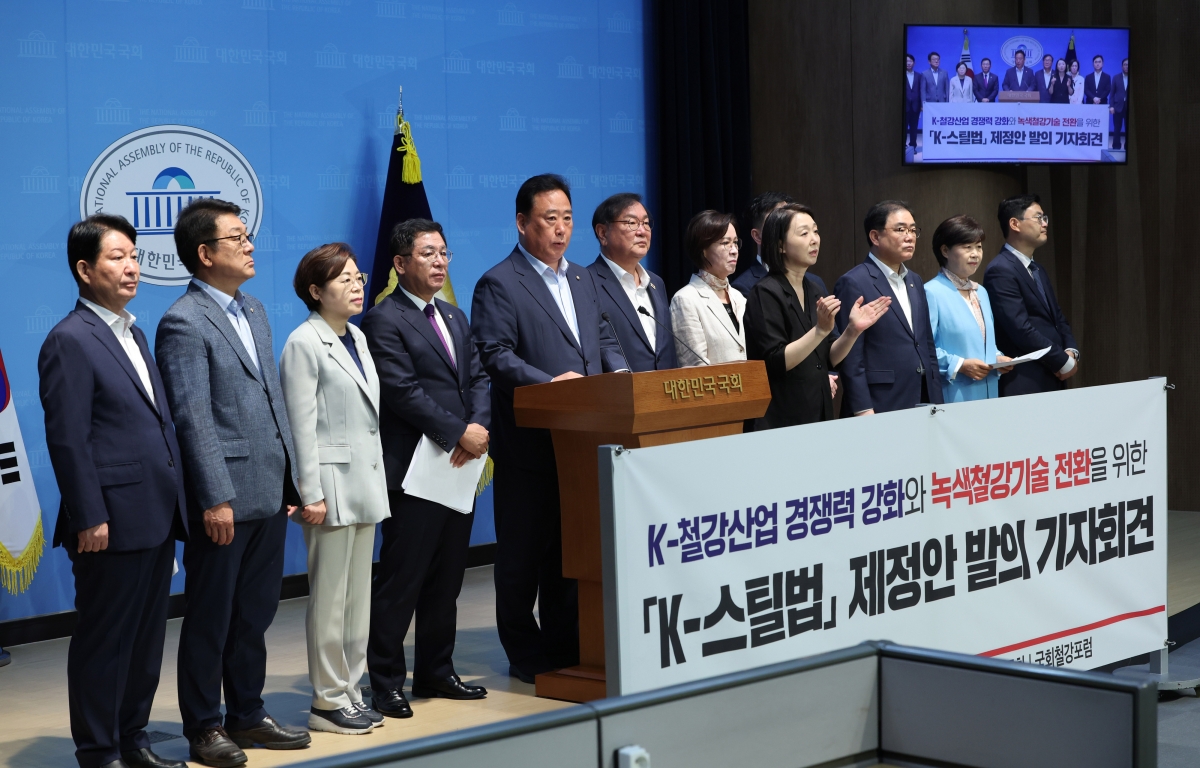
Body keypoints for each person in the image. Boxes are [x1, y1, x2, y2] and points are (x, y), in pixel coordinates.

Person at [157, 199, 310, 767]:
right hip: (224, 497)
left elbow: (272, 400)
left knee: (255, 614)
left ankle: (247, 712)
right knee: (211, 618)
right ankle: (203, 726)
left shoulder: (256, 309)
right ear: (205, 253)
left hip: (268, 489)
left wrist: (291, 481)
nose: (249, 246)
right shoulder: (183, 320)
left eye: (247, 236)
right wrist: (214, 496)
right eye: (237, 238)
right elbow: (192, 416)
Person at [40, 214, 189, 768]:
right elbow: (69, 438)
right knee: (106, 640)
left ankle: (134, 740)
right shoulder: (69, 339)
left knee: (146, 640)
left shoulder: (133, 332)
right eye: (117, 257)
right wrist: (89, 515)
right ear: (85, 269)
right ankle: (99, 752)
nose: (132, 267)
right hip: (109, 519)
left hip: (154, 511)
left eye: (135, 256)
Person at [470, 174, 626, 684]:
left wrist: (621, 374)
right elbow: (495, 355)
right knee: (523, 553)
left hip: (583, 438)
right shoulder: (499, 282)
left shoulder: (583, 278)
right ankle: (523, 651)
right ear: (522, 223)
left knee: (570, 547)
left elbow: (602, 336)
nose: (561, 230)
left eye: (567, 219)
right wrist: (550, 384)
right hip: (530, 442)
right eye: (549, 219)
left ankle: (566, 643)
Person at [364, 219, 492, 714]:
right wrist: (458, 432)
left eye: (444, 253)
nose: (440, 262)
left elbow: (478, 379)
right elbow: (402, 391)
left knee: (447, 578)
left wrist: (477, 428)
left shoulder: (455, 316)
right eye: (427, 254)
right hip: (415, 469)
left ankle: (437, 671)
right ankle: (386, 681)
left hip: (459, 465)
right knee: (402, 580)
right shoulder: (384, 319)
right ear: (400, 264)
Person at [279, 244, 389, 735]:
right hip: (329, 488)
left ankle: (351, 691)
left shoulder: (357, 337)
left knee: (357, 600)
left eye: (357, 277)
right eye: (343, 279)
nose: (356, 285)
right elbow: (300, 425)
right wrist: (310, 494)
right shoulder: (303, 342)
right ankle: (326, 700)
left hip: (365, 482)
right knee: (329, 600)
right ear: (315, 290)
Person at [744, 205, 890, 428]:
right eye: (804, 233)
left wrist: (852, 331)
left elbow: (830, 357)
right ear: (780, 245)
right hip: (781, 417)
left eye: (816, 231)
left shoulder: (814, 288)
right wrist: (820, 330)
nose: (814, 240)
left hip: (818, 411)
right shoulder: (765, 292)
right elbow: (776, 361)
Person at [833, 201, 943, 415]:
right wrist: (863, 409)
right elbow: (851, 357)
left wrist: (937, 401)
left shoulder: (915, 280)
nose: (909, 237)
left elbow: (927, 345)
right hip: (881, 401)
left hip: (924, 396)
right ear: (875, 237)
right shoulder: (854, 282)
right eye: (901, 229)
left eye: (913, 230)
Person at [983, 195, 1080, 397]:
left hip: (1053, 373)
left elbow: (1058, 318)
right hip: (1025, 380)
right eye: (1038, 218)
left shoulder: (1038, 269)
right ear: (1014, 224)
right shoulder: (1000, 270)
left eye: (1045, 218)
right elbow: (1019, 328)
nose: (1044, 224)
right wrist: (1061, 360)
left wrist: (1071, 351)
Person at [924, 216, 1013, 402]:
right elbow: (924, 349)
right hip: (956, 394)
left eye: (978, 247)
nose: (975, 254)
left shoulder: (981, 292)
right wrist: (960, 365)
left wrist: (997, 358)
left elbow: (984, 342)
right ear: (945, 250)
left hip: (989, 392)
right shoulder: (931, 292)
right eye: (967, 247)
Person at [587, 193, 678, 371]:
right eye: (631, 223)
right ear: (603, 233)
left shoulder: (656, 283)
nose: (642, 231)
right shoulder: (587, 282)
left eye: (646, 223)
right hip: (621, 387)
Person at [669, 211, 747, 366]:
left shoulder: (739, 297)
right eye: (725, 243)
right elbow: (695, 367)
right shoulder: (686, 299)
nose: (734, 250)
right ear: (703, 250)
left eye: (735, 242)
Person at [732, 192, 828, 297]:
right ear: (757, 236)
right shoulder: (745, 287)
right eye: (776, 223)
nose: (814, 240)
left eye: (815, 231)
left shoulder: (816, 283)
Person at [903, 54, 923, 149]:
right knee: (903, 127)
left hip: (915, 106)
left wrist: (921, 105)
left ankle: (913, 146)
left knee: (914, 128)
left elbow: (921, 91)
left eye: (910, 61)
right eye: (906, 61)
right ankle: (903, 146)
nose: (908, 63)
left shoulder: (919, 76)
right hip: (904, 106)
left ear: (914, 63)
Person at [1110, 58, 1129, 149]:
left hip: (1128, 107)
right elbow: (1112, 94)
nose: (1126, 66)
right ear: (1122, 66)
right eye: (1125, 64)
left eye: (1128, 65)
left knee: (1128, 128)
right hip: (1117, 107)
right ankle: (1116, 146)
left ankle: (1127, 146)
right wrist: (1111, 106)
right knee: (1117, 128)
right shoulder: (1116, 77)